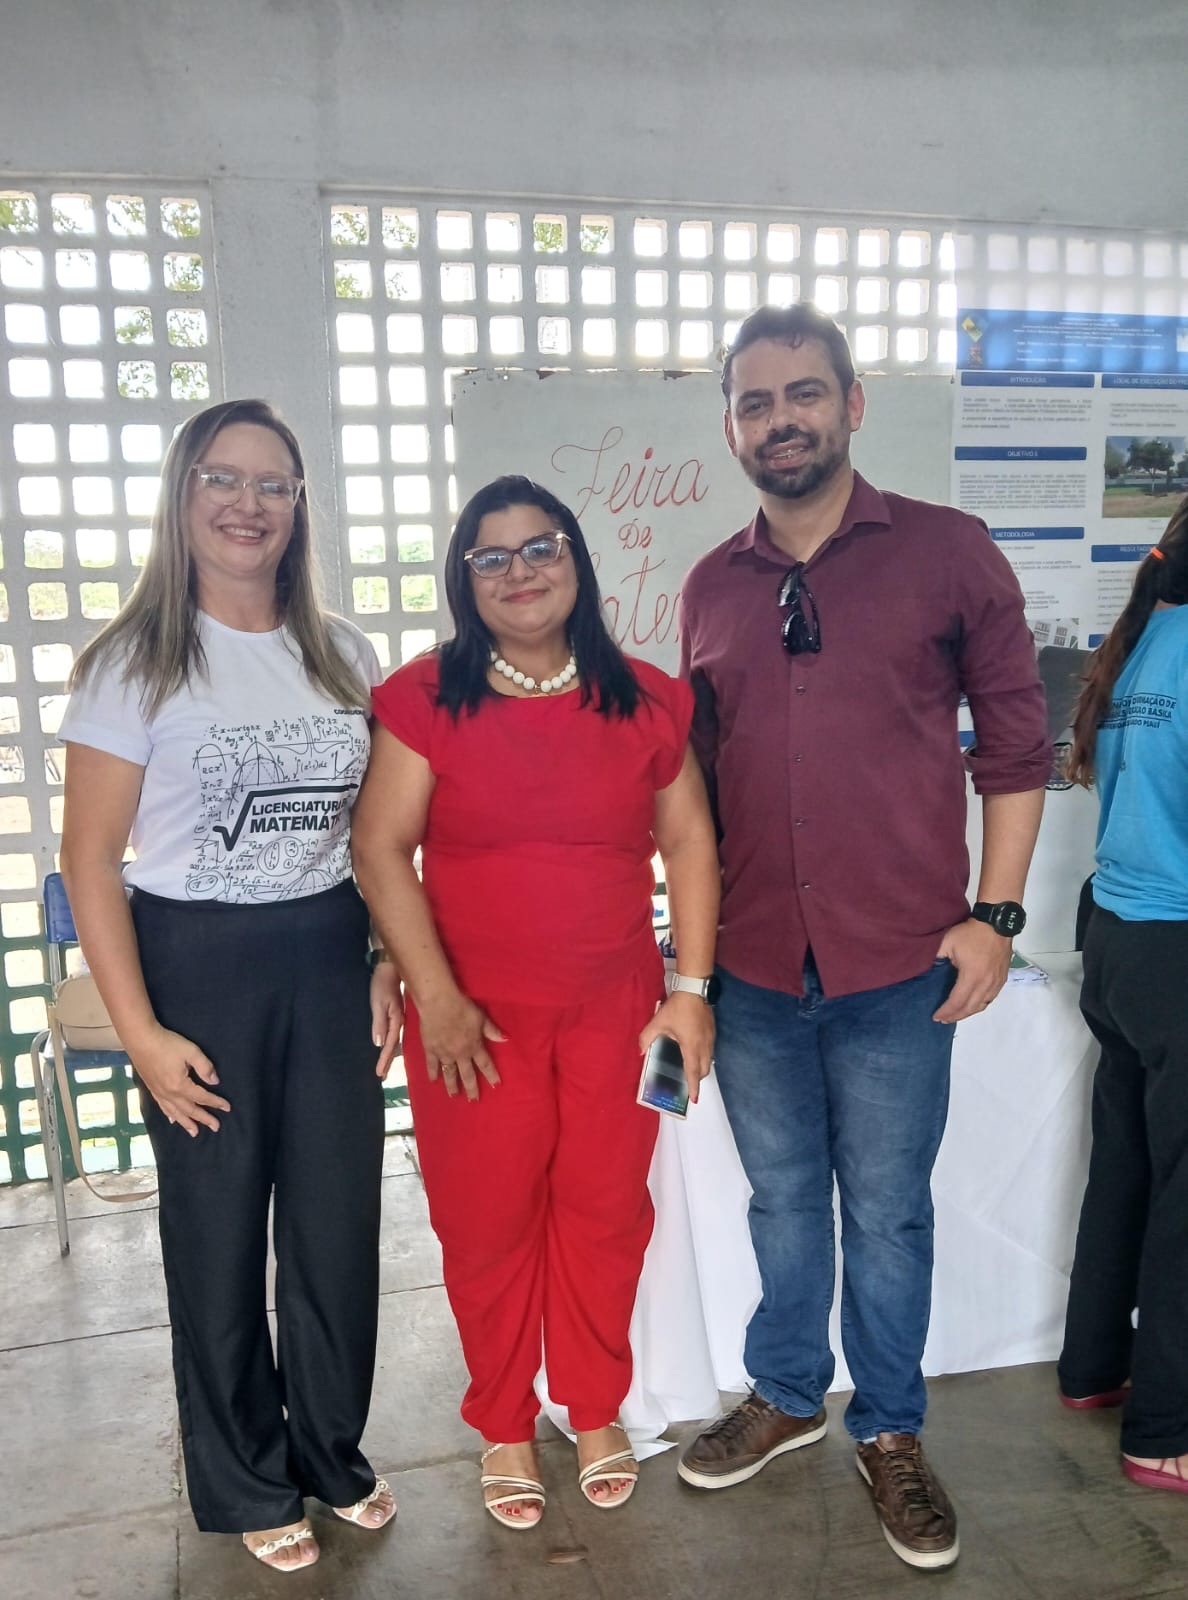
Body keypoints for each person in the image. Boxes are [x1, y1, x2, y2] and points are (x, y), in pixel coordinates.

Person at [676, 305, 1051, 1570]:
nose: (779, 419)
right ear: (731, 425)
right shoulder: (710, 588)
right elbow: (692, 791)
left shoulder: (948, 553)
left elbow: (1016, 749)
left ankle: (889, 1428)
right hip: (755, 966)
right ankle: (788, 1393)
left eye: (803, 393)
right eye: (754, 401)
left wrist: (996, 916)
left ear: (851, 403)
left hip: (900, 965)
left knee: (886, 1213)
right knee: (783, 1198)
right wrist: (688, 963)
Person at [58, 398, 401, 1573]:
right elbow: (89, 861)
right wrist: (143, 1032)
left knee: (336, 1227)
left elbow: (376, 837)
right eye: (223, 477)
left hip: (326, 955)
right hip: (195, 966)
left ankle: (331, 1453)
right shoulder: (131, 662)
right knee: (215, 1236)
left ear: (300, 507)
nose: (248, 504)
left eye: (273, 484)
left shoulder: (344, 652)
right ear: (183, 493)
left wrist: (383, 957)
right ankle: (249, 1475)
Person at [351, 475, 719, 1529]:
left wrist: (690, 994)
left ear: (576, 561)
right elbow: (379, 847)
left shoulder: (645, 697)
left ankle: (595, 1406)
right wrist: (436, 995)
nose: (519, 571)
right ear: (464, 579)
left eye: (541, 547)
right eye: (491, 556)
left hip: (620, 1012)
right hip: (471, 1019)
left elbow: (690, 841)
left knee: (607, 1209)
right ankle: (505, 1419)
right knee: (486, 1219)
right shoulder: (427, 697)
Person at [1057, 505, 1188, 1495]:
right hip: (1173, 944)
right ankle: (1167, 1429)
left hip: (1114, 937)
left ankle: (1095, 1367)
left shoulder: (1146, 635)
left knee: (1127, 1166)